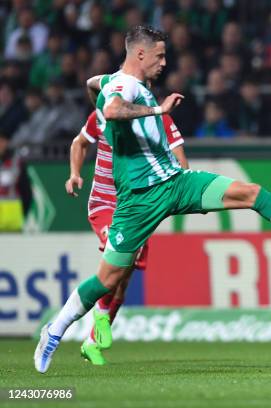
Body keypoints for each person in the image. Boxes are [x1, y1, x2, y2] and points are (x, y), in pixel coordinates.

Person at [34, 25, 271, 374]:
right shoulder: (126, 86)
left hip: (176, 183)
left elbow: (95, 85)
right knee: (107, 279)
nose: (164, 62)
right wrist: (156, 111)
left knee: (251, 193)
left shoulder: (111, 81)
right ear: (140, 54)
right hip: (138, 200)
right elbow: (116, 109)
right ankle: (55, 331)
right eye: (160, 55)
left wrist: (100, 93)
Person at [65, 104, 188, 365]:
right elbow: (79, 143)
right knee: (118, 261)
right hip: (104, 203)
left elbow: (181, 161)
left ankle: (92, 343)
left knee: (123, 281)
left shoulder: (160, 120)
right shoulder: (101, 116)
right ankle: (98, 315)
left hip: (136, 206)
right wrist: (75, 173)